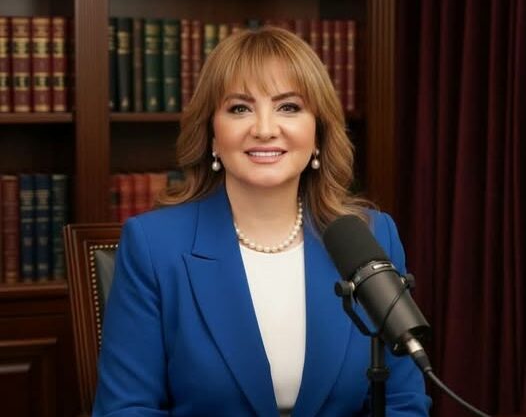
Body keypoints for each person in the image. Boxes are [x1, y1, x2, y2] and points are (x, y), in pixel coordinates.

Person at [93, 26, 431, 416]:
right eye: (240, 108)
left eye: (289, 107)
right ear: (212, 136)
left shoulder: (371, 237)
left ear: (318, 133)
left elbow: (403, 401)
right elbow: (126, 408)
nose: (265, 130)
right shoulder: (154, 247)